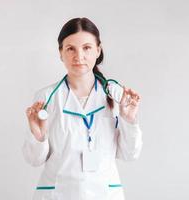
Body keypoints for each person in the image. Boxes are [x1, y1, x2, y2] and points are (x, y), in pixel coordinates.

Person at [22, 17, 143, 200]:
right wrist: (39, 138)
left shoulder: (117, 97)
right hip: (58, 194)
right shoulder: (46, 98)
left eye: (86, 48)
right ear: (61, 53)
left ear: (98, 50)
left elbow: (129, 154)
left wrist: (130, 121)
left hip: (104, 193)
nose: (79, 56)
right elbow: (34, 160)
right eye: (70, 48)